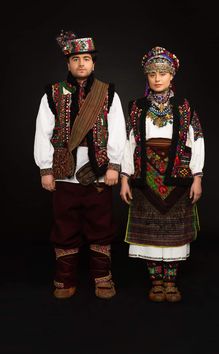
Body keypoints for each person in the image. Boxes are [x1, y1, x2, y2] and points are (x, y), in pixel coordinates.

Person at [34, 30, 126, 300]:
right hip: (64, 172)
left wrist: (114, 165)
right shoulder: (52, 93)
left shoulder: (107, 93)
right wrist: (46, 170)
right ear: (68, 64)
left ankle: (102, 278)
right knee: (65, 225)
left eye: (86, 58)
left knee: (101, 223)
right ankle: (64, 279)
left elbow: (118, 131)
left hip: (98, 171)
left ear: (94, 63)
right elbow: (42, 132)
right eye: (76, 59)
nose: (82, 64)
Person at [120, 46, 204, 302]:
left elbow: (197, 140)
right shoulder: (136, 107)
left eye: (163, 73)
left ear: (172, 76)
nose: (157, 78)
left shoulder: (185, 107)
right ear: (146, 76)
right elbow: (128, 143)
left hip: (177, 177)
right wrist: (125, 177)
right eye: (152, 73)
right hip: (144, 177)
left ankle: (171, 280)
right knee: (148, 232)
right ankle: (155, 281)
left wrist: (197, 177)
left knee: (173, 232)